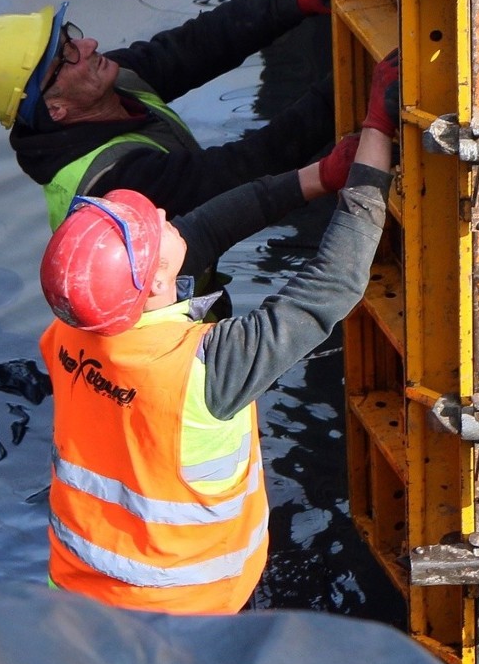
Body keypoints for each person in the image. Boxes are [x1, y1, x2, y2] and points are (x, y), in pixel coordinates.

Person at [37, 52, 399, 614]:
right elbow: (333, 284)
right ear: (157, 280)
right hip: (188, 618)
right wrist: (377, 139)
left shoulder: (71, 329)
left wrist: (316, 177)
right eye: (153, 226)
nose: (162, 214)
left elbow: (200, 230)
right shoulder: (205, 369)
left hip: (79, 601)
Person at [0, 0, 335, 229]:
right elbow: (238, 170)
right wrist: (344, 89)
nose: (88, 45)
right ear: (54, 108)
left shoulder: (105, 84)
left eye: (70, 37)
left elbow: (196, 46)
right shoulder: (111, 185)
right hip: (157, 326)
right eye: (66, 55)